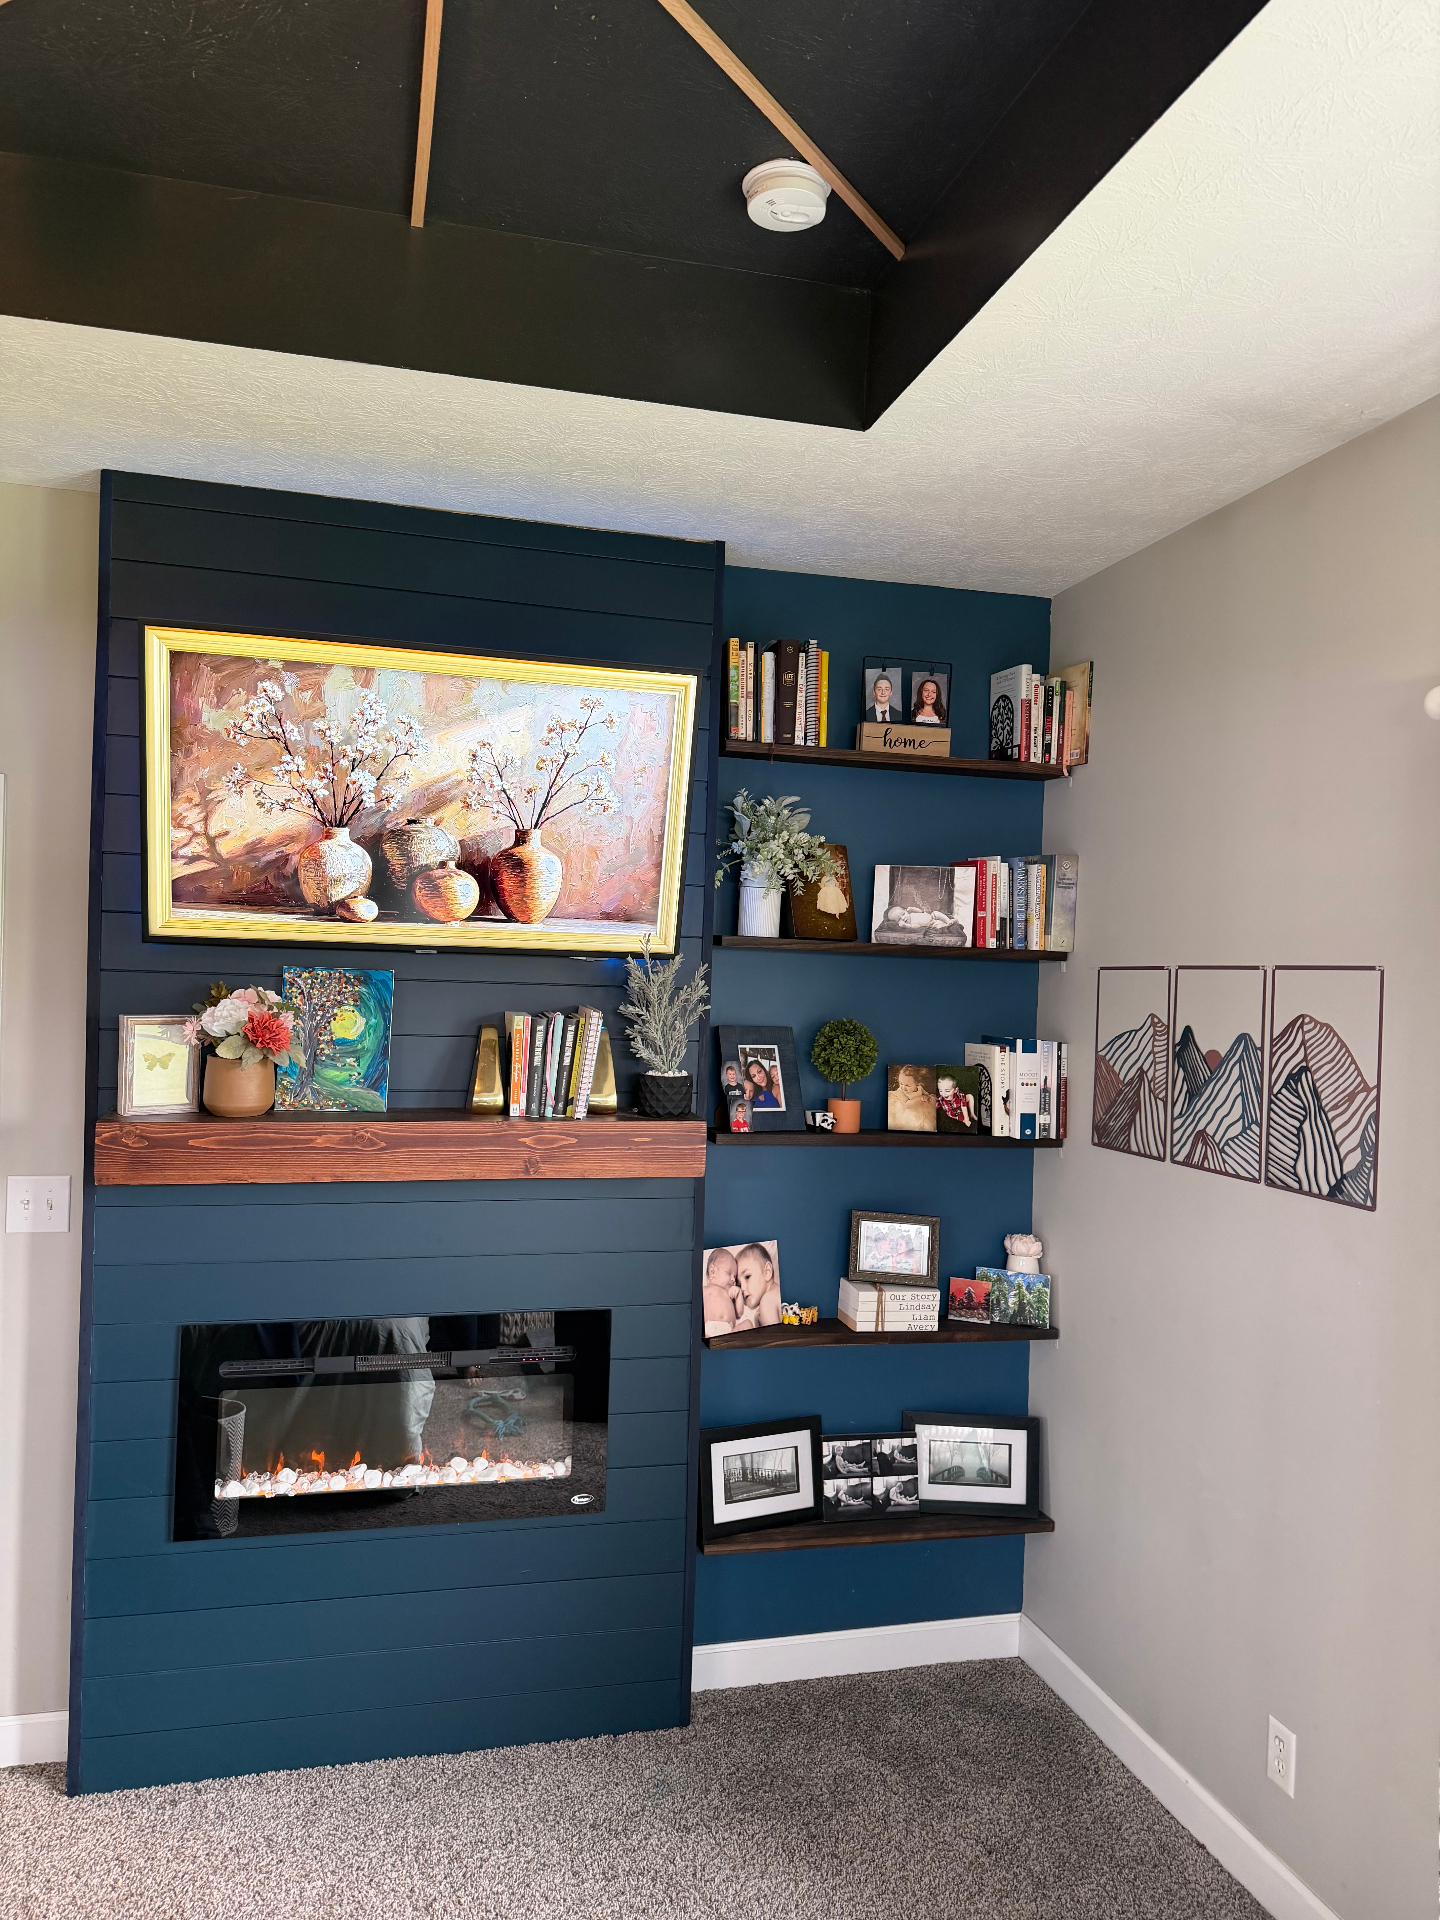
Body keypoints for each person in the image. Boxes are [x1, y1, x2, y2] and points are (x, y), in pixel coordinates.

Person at [732, 1243, 782, 1329]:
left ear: (767, 1271)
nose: (742, 1288)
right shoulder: (777, 1292)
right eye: (739, 1285)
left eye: (747, 1277)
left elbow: (773, 1339)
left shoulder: (767, 1301)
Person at [703, 1247, 741, 1337]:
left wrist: (739, 1295)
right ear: (712, 1272)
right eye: (728, 1273)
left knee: (748, 1324)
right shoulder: (705, 1289)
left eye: (734, 1276)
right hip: (709, 1330)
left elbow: (739, 1313)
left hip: (730, 1332)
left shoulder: (730, 1294)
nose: (733, 1279)